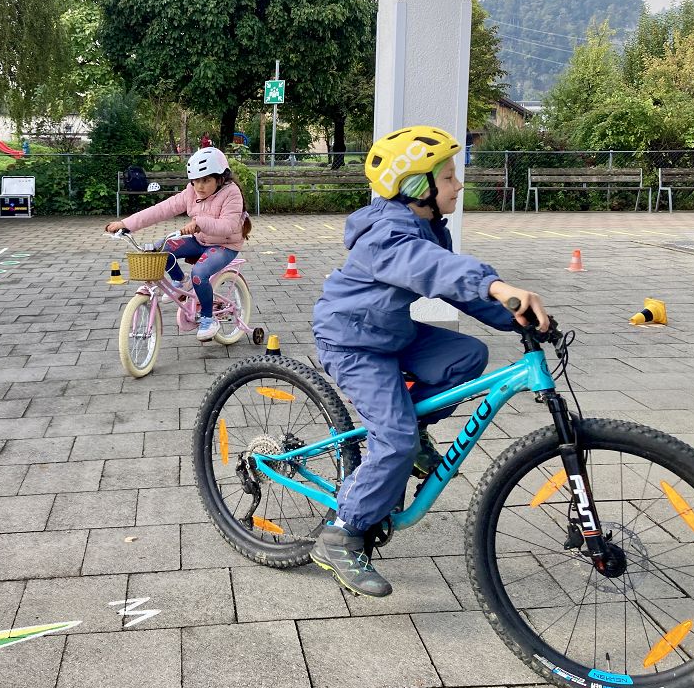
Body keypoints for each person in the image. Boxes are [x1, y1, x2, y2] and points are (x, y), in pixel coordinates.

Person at [309, 125, 549, 598]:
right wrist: (495, 284)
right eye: (449, 177)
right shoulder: (387, 234)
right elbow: (430, 267)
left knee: (468, 355)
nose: (458, 185)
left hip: (391, 332)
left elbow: (452, 287)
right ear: (417, 186)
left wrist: (516, 318)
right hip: (352, 342)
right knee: (393, 441)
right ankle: (341, 532)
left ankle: (411, 432)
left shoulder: (427, 226)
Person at [105, 147, 252, 341]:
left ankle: (208, 318)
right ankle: (180, 280)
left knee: (199, 273)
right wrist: (126, 224)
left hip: (225, 245)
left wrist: (199, 223)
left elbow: (229, 226)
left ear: (220, 178)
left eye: (206, 180)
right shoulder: (191, 192)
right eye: (195, 180)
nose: (199, 186)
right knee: (160, 248)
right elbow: (161, 209)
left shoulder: (231, 193)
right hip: (201, 240)